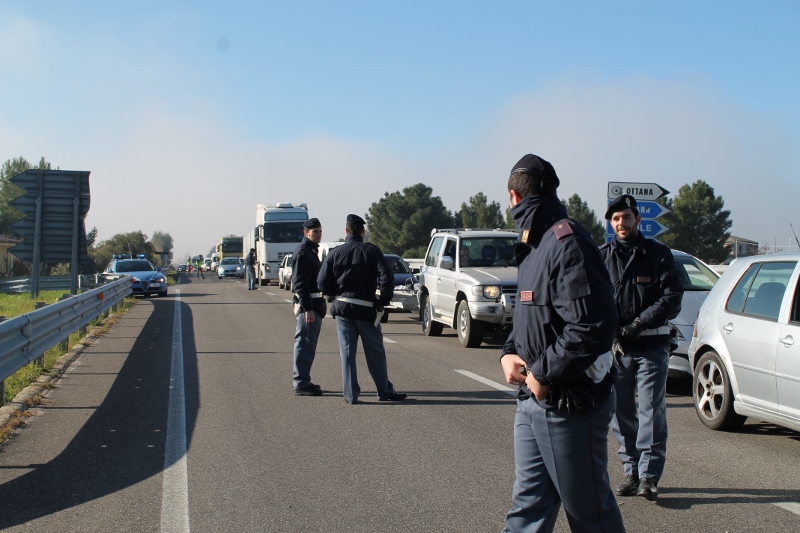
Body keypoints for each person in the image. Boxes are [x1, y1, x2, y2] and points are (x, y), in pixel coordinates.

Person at [500, 154, 625, 532]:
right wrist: (509, 352)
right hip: (534, 397)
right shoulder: (534, 242)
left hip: (569, 401)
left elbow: (593, 325)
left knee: (589, 514)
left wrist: (543, 372)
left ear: (513, 197)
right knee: (528, 509)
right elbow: (532, 315)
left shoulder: (565, 242)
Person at [600, 194, 683, 502]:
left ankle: (649, 476)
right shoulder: (601, 256)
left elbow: (671, 298)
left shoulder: (658, 254)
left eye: (626, 217)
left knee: (650, 410)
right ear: (611, 224)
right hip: (617, 348)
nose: (621, 222)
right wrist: (612, 332)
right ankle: (632, 471)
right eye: (616, 219)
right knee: (620, 412)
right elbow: (594, 299)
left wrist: (638, 324)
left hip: (651, 345)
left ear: (638, 219)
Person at [318, 214, 407, 404]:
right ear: (362, 232)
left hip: (342, 308)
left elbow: (322, 282)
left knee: (347, 353)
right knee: (375, 352)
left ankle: (351, 395)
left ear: (346, 231)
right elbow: (386, 276)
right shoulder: (372, 251)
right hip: (366, 309)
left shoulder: (335, 253)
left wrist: (335, 294)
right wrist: (383, 299)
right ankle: (384, 391)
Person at [291, 218, 326, 396]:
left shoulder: (311, 250)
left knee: (308, 345)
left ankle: (304, 379)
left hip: (314, 304)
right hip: (309, 306)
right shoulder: (303, 252)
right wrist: (308, 309)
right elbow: (300, 284)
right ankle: (301, 383)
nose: (318, 234)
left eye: (320, 231)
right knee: (304, 344)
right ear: (306, 233)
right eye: (315, 232)